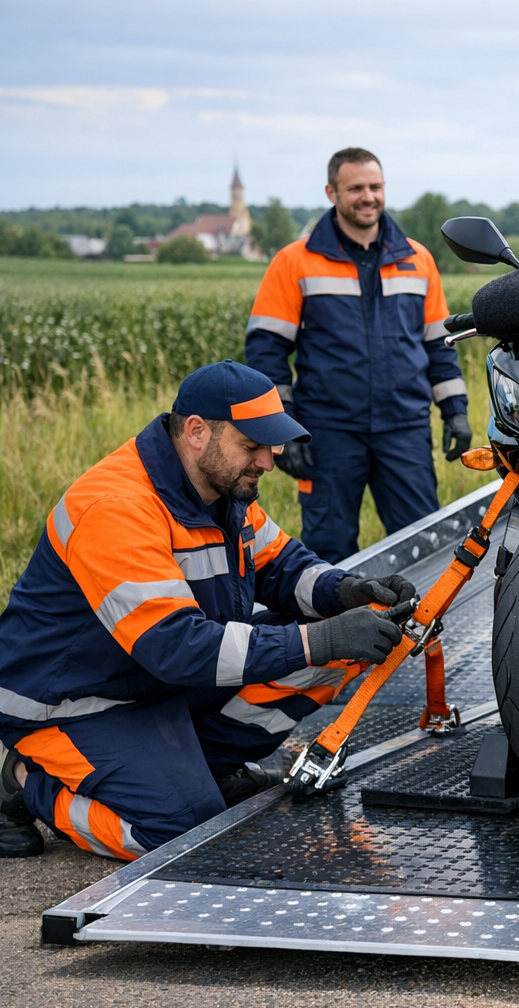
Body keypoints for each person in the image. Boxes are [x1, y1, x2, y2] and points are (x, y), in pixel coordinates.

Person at [0, 361, 417, 860]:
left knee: (335, 649)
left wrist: (348, 590)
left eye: (274, 445)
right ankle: (25, 778)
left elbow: (283, 566)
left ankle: (207, 767)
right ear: (197, 431)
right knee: (179, 834)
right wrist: (322, 637)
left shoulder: (223, 490)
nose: (268, 460)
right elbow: (177, 647)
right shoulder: (115, 507)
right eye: (252, 445)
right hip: (74, 704)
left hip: (153, 683)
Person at [245, 146, 473, 564]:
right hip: (327, 430)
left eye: (375, 186)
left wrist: (455, 410)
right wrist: (283, 428)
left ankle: (422, 631)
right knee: (329, 548)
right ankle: (332, 630)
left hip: (404, 428)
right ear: (332, 192)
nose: (367, 196)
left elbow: (439, 347)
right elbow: (266, 351)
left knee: (423, 543)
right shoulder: (294, 261)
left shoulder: (417, 259)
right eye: (355, 188)